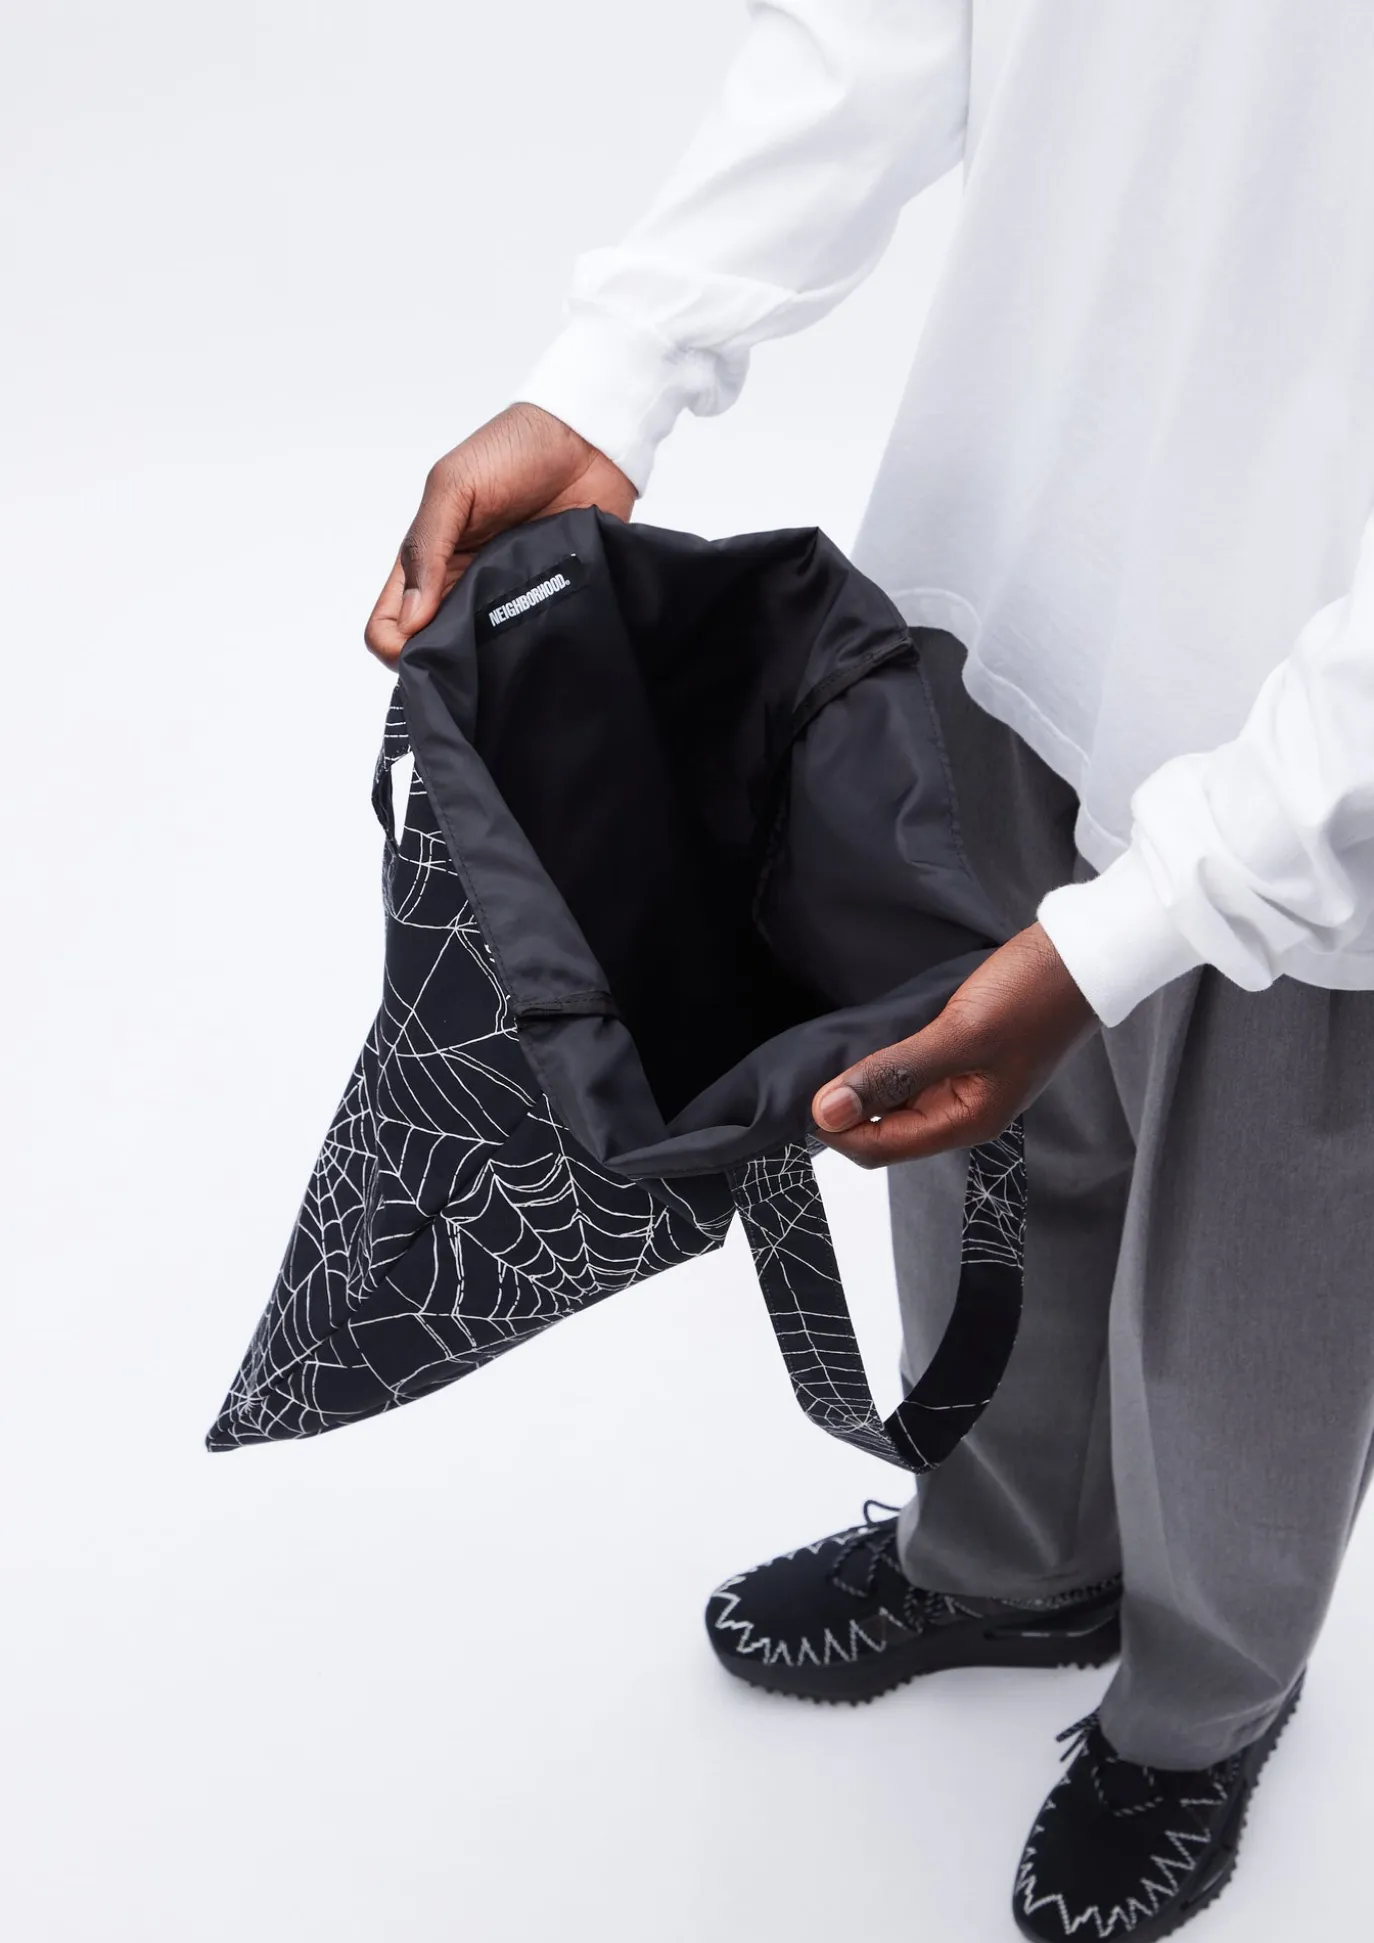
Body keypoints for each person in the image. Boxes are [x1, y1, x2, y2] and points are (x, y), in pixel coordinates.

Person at [364, 5, 1374, 1935]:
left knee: (1252, 1268)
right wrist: (623, 361)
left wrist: (1135, 925)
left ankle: (1199, 1707)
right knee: (987, 1140)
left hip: (1311, 704)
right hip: (1019, 528)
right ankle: (1008, 1556)